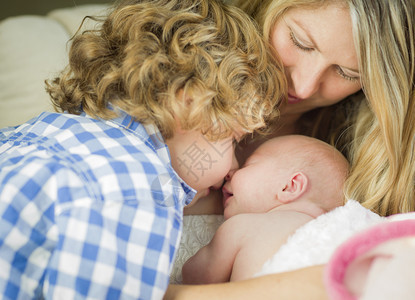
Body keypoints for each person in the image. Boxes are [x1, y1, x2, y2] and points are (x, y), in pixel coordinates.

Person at [0, 0, 285, 298]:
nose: (235, 167)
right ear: (189, 104)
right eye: (234, 140)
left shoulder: (47, 128)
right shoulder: (138, 186)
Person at [165, 0, 415, 299]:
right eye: (301, 42)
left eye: (348, 73)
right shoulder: (166, 99)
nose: (305, 86)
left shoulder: (366, 168)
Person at [181, 135, 349, 283]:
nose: (230, 173)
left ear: (290, 187)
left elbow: (196, 275)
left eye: (248, 165)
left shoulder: (245, 226)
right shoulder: (338, 238)